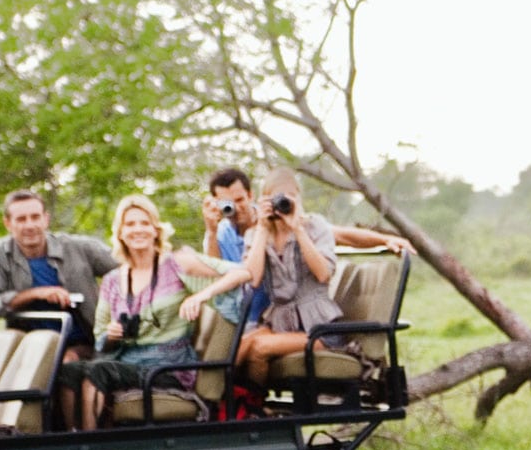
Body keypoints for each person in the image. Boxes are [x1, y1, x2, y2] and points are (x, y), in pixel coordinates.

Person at [53, 194, 249, 431]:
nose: (138, 230)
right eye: (130, 224)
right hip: (126, 361)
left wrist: (200, 295)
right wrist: (112, 335)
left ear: (156, 230)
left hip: (167, 367)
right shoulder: (112, 280)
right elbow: (100, 340)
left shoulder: (176, 264)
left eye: (145, 223)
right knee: (68, 371)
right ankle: (75, 440)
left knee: (99, 370)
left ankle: (90, 447)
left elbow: (241, 273)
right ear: (121, 233)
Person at [233, 169, 351, 396]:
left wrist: (297, 228)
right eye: (275, 198)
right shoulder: (257, 234)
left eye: (287, 198)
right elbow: (253, 279)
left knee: (260, 347)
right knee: (239, 347)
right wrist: (262, 229)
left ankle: (252, 407)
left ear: (298, 198)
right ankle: (223, 406)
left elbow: (323, 274)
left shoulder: (315, 226)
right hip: (281, 324)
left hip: (320, 329)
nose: (281, 204)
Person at [0, 190, 121, 360]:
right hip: (30, 347)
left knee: (62, 363)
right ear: (8, 223)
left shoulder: (78, 247)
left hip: (85, 343)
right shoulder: (0, 254)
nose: (29, 225)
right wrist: (35, 294)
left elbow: (131, 268)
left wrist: (113, 302)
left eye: (35, 217)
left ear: (46, 219)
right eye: (21, 219)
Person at [202, 166, 414, 264]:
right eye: (227, 203)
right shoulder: (220, 232)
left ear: (250, 195)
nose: (236, 208)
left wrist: (386, 239)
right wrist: (211, 232)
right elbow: (212, 271)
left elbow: (339, 235)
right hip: (241, 312)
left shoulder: (276, 218)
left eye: (239, 200)